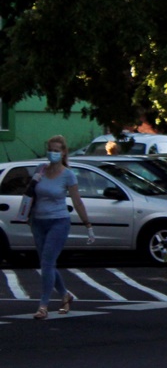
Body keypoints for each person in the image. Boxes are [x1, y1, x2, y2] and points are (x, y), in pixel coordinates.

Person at [28, 135, 94, 319]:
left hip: (59, 221)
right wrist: (27, 214)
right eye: (50, 150)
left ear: (63, 152)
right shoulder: (40, 169)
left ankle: (43, 305)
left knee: (48, 263)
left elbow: (77, 201)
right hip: (38, 221)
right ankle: (65, 295)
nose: (52, 153)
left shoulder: (68, 174)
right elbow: (31, 193)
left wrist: (87, 224)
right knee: (46, 264)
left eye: (56, 151)